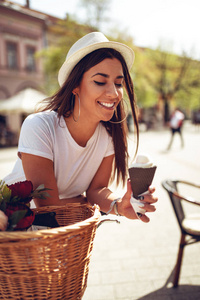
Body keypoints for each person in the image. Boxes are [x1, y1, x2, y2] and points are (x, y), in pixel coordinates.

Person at [3, 32, 157, 223]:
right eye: (100, 81)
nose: (114, 93)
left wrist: (119, 205)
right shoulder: (39, 127)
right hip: (14, 231)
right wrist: (84, 203)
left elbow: (96, 191)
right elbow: (47, 207)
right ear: (75, 85)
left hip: (65, 235)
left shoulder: (107, 138)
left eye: (118, 83)